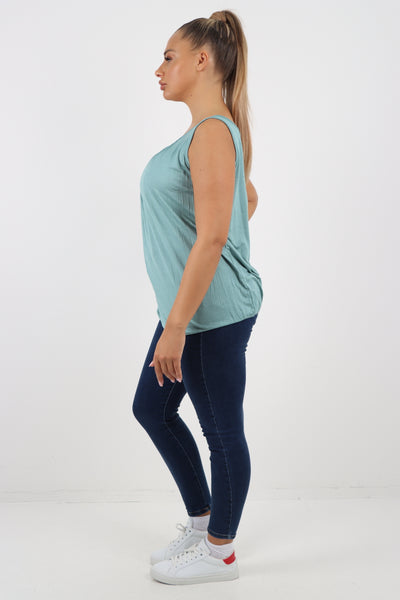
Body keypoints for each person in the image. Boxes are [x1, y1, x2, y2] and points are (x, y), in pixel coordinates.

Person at [132, 9, 263, 585]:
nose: (159, 69)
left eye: (169, 56)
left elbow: (213, 236)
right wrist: (177, 314)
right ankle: (203, 520)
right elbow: (246, 199)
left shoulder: (213, 131)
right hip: (190, 311)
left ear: (202, 59)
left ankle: (220, 552)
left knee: (222, 433)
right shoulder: (206, 133)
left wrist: (177, 325)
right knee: (152, 409)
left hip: (210, 315)